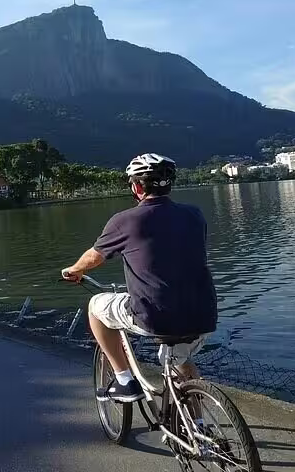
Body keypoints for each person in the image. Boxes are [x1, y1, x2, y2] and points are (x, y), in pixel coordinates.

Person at [62, 153, 217, 402]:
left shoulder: (125, 220)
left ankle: (124, 380)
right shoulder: (195, 215)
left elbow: (94, 257)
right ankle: (197, 426)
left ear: (136, 186)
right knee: (178, 360)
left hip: (155, 315)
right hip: (204, 313)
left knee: (95, 306)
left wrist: (75, 270)